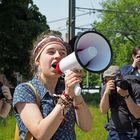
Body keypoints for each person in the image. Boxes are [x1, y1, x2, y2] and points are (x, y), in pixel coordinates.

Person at [13, 32, 92, 140]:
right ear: (37, 60)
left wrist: (75, 91)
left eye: (63, 53)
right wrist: (67, 96)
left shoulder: (65, 87)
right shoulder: (25, 90)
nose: (58, 56)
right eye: (51, 52)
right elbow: (41, 135)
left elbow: (86, 126)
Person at [99, 65, 140, 140]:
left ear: (121, 77)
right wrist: (106, 93)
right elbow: (103, 111)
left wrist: (126, 96)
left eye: (114, 79)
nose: (111, 83)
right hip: (114, 131)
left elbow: (138, 114)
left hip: (133, 132)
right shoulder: (106, 88)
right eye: (107, 80)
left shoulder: (134, 87)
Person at [121, 45, 140, 140]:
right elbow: (123, 79)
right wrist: (134, 65)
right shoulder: (126, 68)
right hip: (129, 105)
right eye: (138, 57)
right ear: (133, 56)